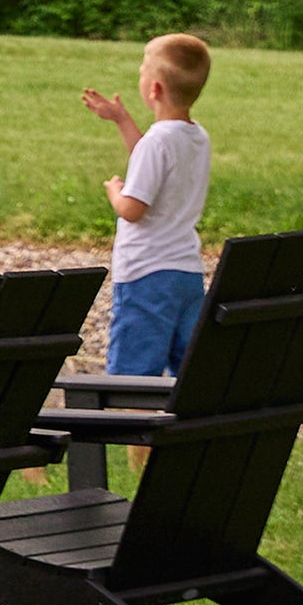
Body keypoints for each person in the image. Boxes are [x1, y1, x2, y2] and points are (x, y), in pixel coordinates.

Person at [82, 34, 213, 381]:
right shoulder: (196, 135)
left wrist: (115, 192)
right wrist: (122, 120)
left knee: (134, 381)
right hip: (185, 273)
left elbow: (133, 209)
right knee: (186, 376)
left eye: (142, 70)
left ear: (153, 89)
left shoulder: (157, 141)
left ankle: (137, 437)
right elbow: (152, 164)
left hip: (146, 275)